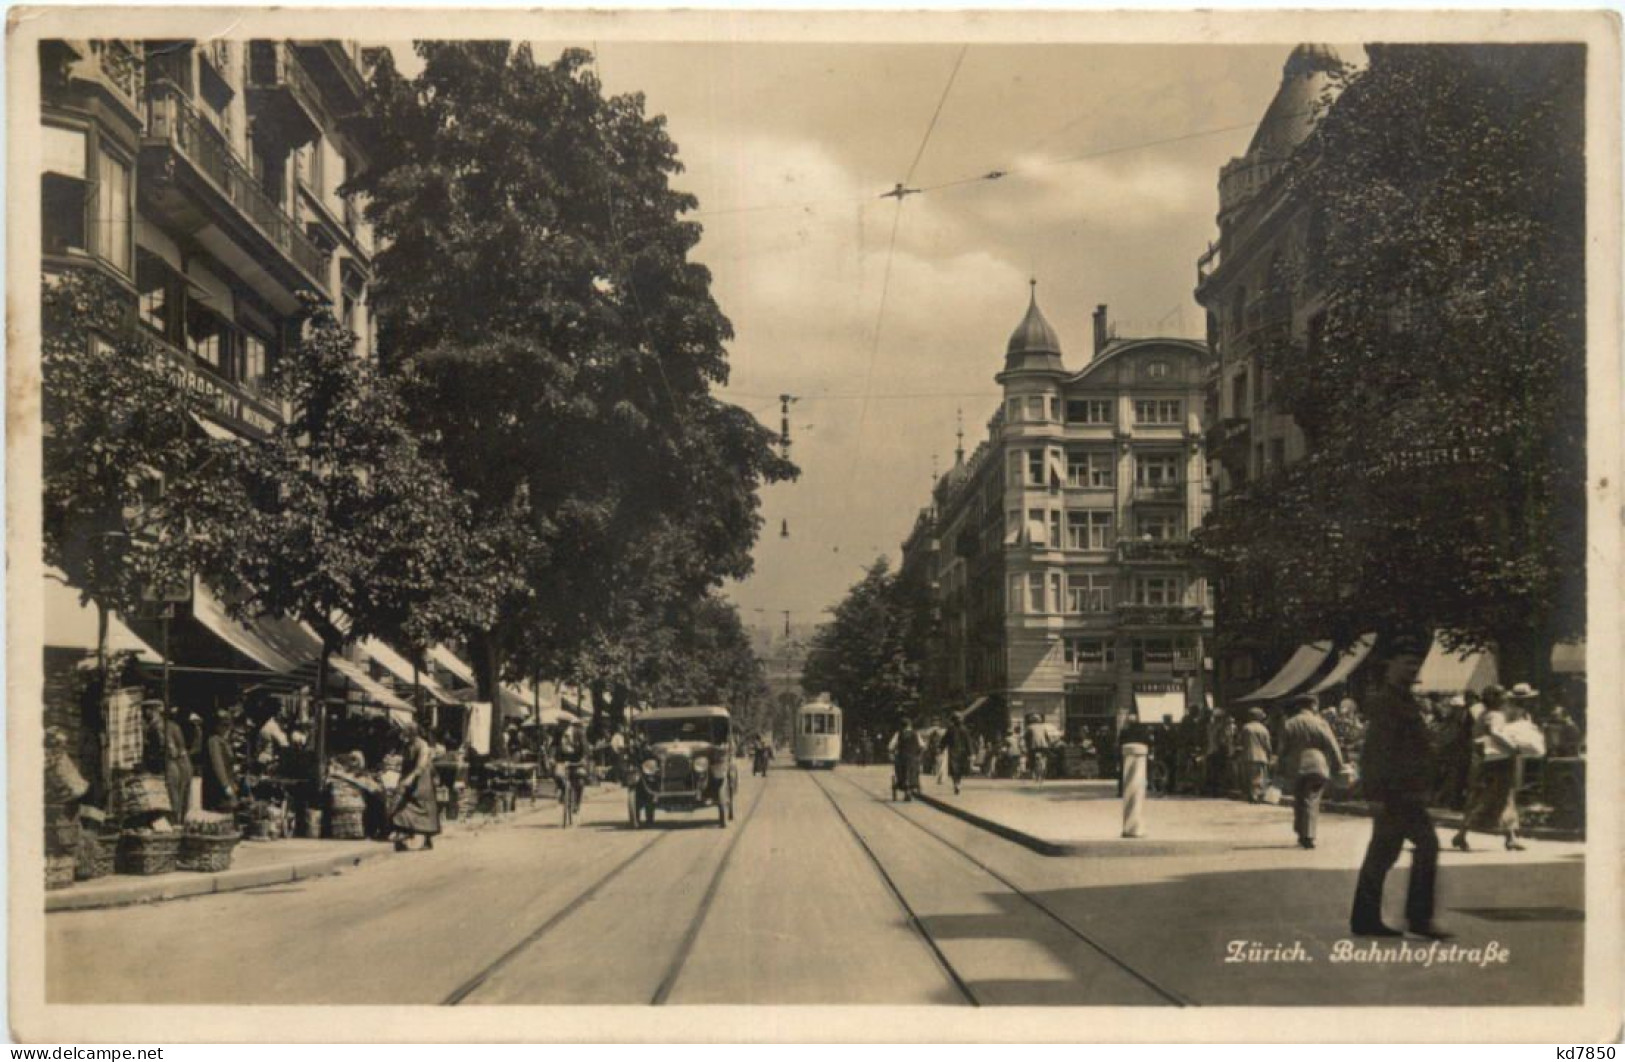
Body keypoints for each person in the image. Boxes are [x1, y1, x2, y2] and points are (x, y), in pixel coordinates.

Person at [1350, 633, 1450, 940]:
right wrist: (1375, 794)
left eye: (1416, 664)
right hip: (1395, 794)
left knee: (1382, 853)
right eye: (1407, 663)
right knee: (1425, 845)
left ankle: (1367, 919)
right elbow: (1376, 751)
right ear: (1390, 665)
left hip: (1405, 792)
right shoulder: (1386, 702)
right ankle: (1417, 918)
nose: (1412, 669)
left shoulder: (1404, 700)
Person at [1453, 684, 1522, 852]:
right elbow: (1495, 732)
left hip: (1483, 761)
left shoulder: (1482, 714)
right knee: (1499, 797)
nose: (1505, 698)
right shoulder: (1495, 715)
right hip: (1498, 762)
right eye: (1502, 696)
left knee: (1486, 798)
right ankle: (1463, 834)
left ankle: (1508, 837)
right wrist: (1513, 746)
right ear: (1496, 699)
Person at [1278, 694, 1348, 849]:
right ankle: (1307, 835)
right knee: (1312, 799)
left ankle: (1302, 832)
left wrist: (1280, 768)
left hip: (1296, 766)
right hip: (1317, 765)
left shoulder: (1289, 724)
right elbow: (1332, 745)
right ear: (1313, 706)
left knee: (1300, 799)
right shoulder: (1320, 723)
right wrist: (1339, 765)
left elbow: (1282, 750)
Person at [390, 722, 441, 851]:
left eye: (406, 732)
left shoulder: (422, 745)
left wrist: (410, 778)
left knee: (419, 807)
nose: (404, 735)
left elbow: (421, 765)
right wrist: (402, 778)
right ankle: (414, 837)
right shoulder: (408, 745)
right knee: (405, 806)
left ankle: (424, 839)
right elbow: (405, 764)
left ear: (413, 732)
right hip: (410, 780)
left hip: (421, 781)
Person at [201, 708, 240, 813]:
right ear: (216, 726)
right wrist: (226, 786)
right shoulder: (214, 741)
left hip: (228, 783)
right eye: (224, 725)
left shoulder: (223, 741)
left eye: (228, 725)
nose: (227, 729)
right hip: (218, 788)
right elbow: (218, 766)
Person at [1240, 708, 1273, 803]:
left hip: (1248, 755)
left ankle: (1252, 794)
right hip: (1261, 755)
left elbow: (1241, 741)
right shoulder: (1263, 729)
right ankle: (1258, 794)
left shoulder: (1246, 728)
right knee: (1260, 775)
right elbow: (1267, 745)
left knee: (1250, 776)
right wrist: (1269, 755)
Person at [889, 719, 924, 800]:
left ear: (902, 726)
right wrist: (919, 755)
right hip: (913, 758)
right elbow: (922, 746)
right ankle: (912, 784)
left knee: (900, 770)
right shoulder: (916, 734)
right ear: (910, 725)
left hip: (902, 757)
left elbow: (891, 746)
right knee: (914, 770)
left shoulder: (898, 734)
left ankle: (903, 783)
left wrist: (892, 752)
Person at [939, 713, 973, 795]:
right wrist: (971, 753)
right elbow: (968, 742)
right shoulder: (964, 729)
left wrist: (941, 748)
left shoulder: (950, 729)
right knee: (959, 770)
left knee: (954, 770)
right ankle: (958, 784)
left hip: (953, 752)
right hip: (962, 753)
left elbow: (944, 740)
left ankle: (956, 784)